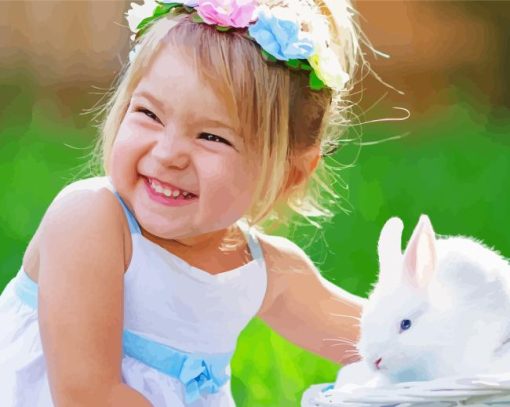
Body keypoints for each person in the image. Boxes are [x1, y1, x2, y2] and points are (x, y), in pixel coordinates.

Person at [0, 0, 368, 405]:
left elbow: (389, 337)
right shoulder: (91, 220)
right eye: (148, 114)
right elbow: (89, 395)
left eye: (212, 137)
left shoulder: (264, 270)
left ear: (289, 174)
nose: (168, 153)